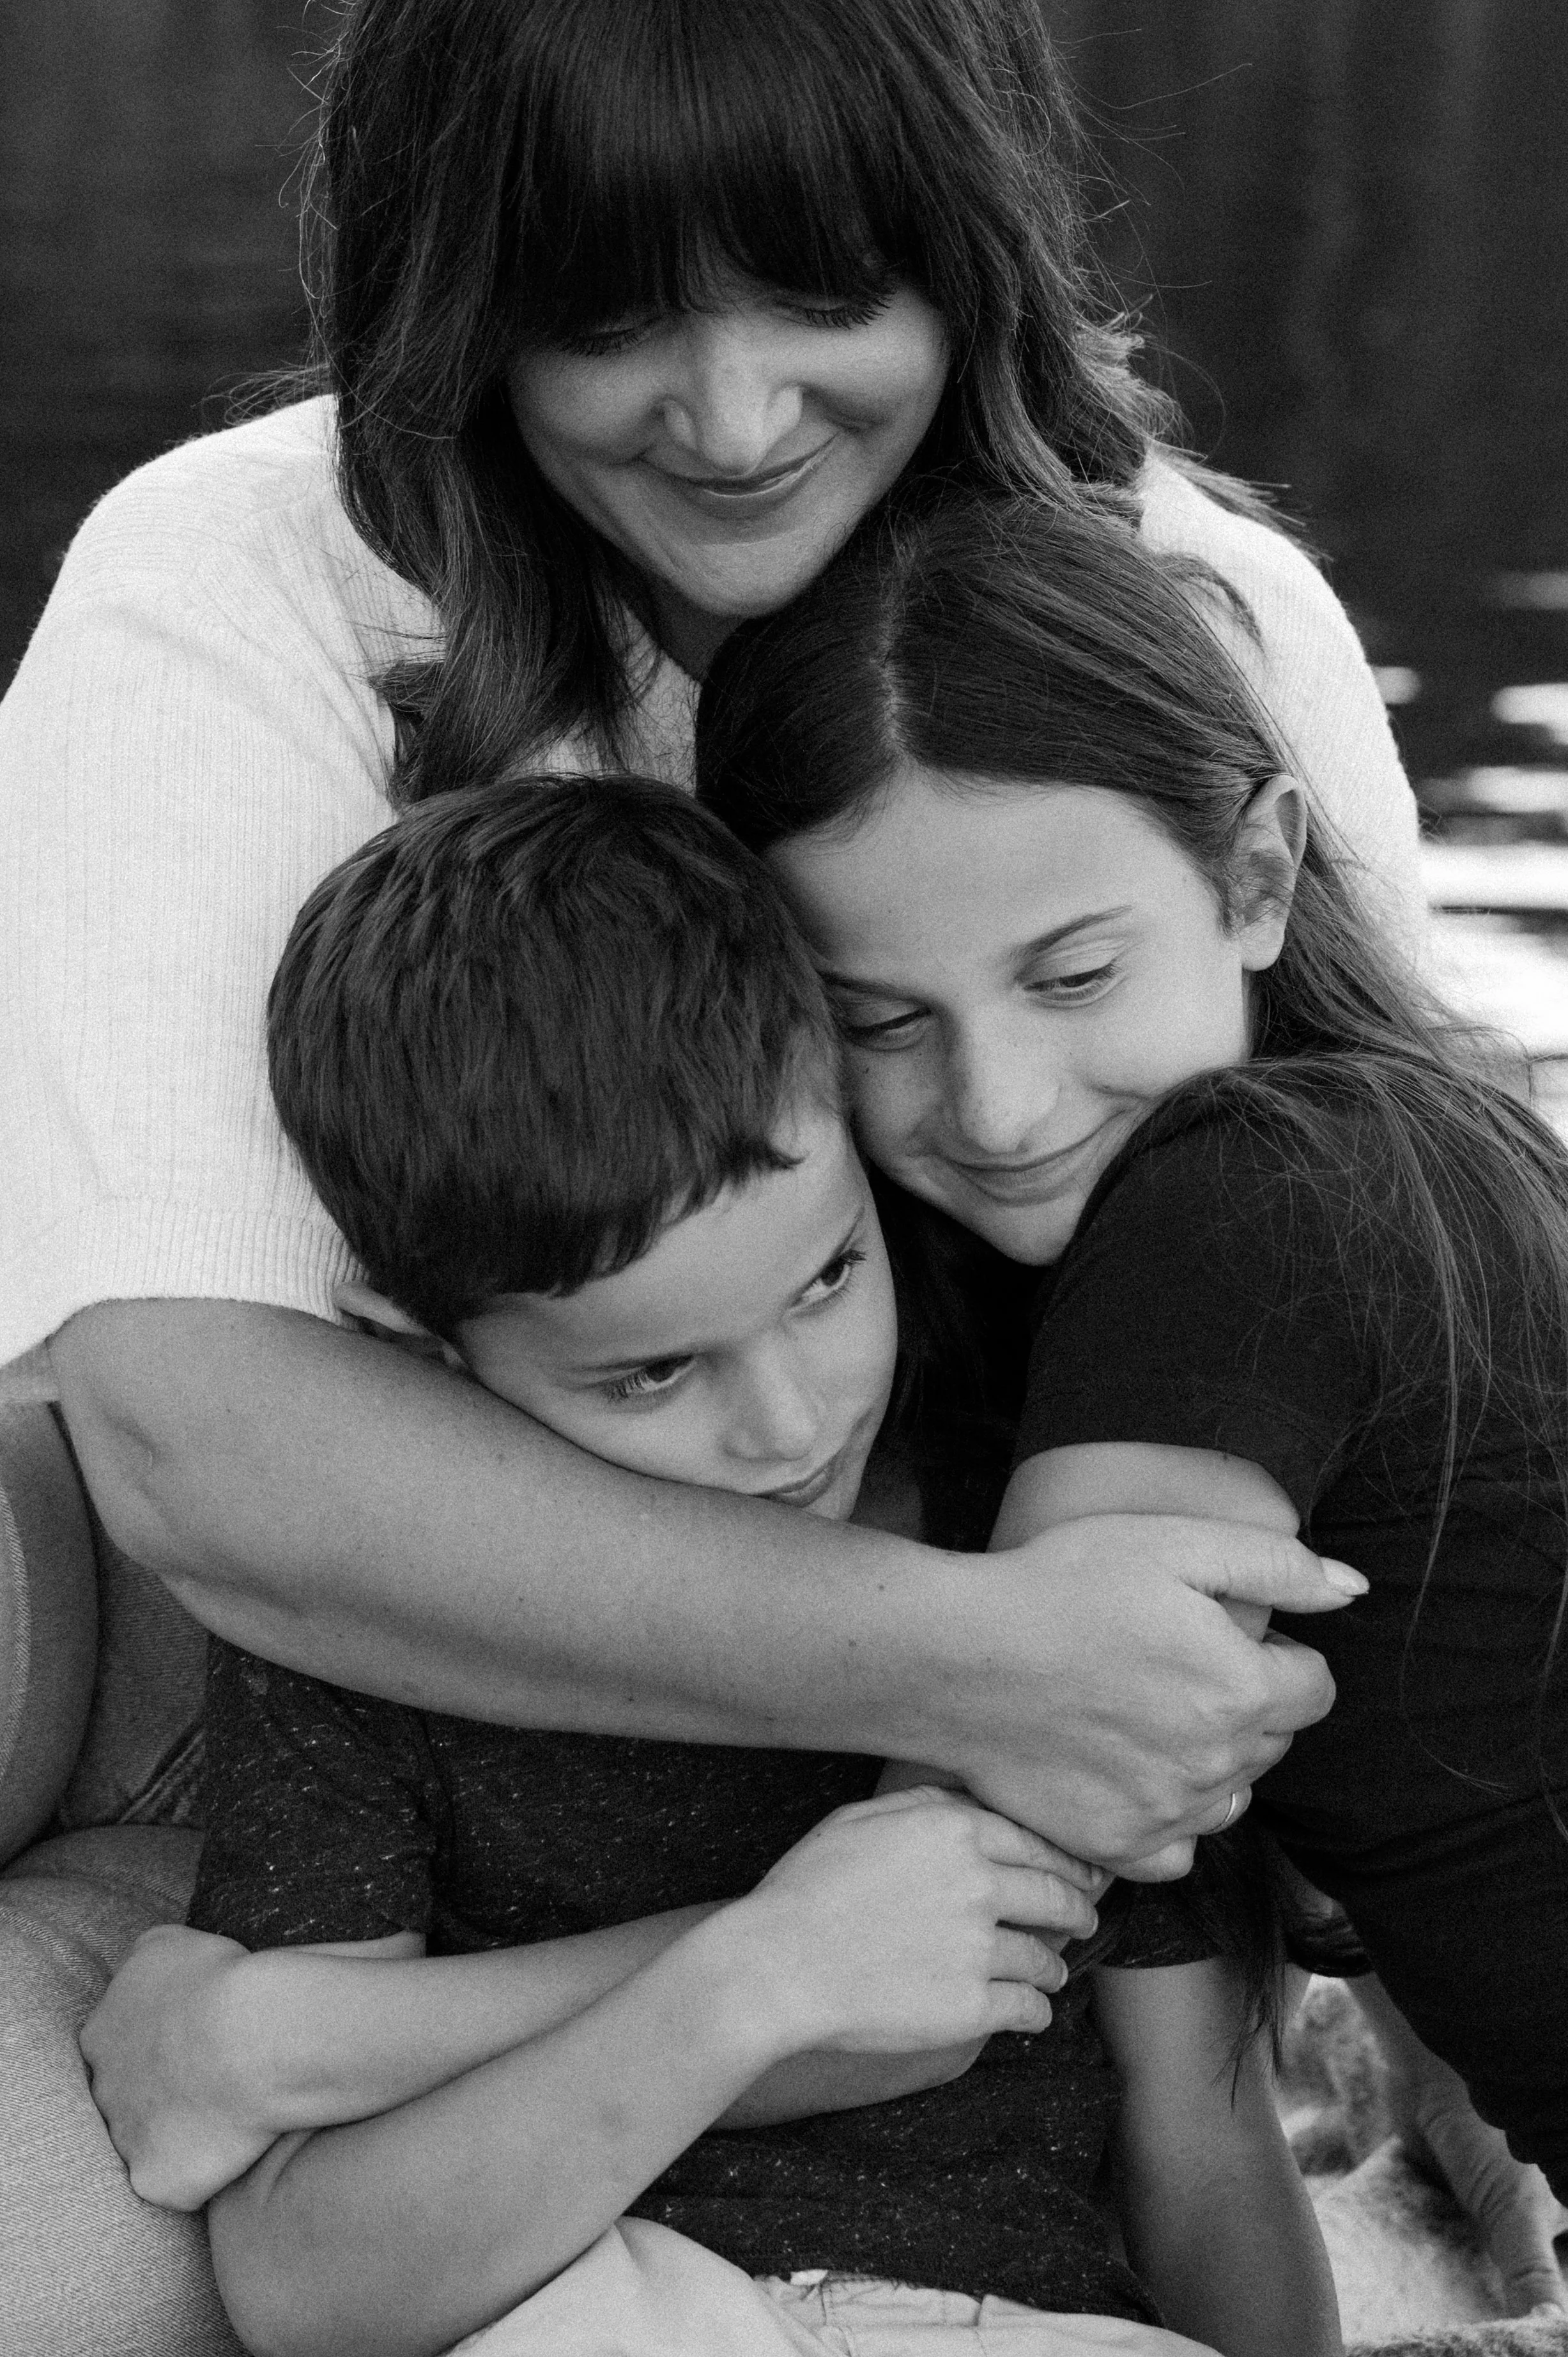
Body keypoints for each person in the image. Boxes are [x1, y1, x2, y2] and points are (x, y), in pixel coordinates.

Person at [1, 2, 1410, 2340]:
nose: (735, 421)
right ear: (461, 305)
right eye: (607, 317)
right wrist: (991, 1673)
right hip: (358, 1659)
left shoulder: (1182, 621)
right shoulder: (229, 588)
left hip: (1059, 1650)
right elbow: (194, 1441)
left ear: (963, 259)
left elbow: (1396, 1257)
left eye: (822, 292)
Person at [89, 774, 1341, 2357]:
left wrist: (304, 2039)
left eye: (827, 1278)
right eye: (653, 1373)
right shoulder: (369, 1620)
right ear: (419, 1353)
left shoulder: (1034, 1523)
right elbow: (305, 2286)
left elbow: (1206, 2137)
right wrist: (751, 1978)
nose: (792, 1423)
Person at [693, 491, 1568, 2233]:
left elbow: (920, 1961)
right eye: (880, 1021)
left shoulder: (1242, 1203)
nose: (1000, 1106)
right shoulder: (1427, 1144)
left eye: (1074, 975)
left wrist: (314, 2045)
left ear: (1256, 878)